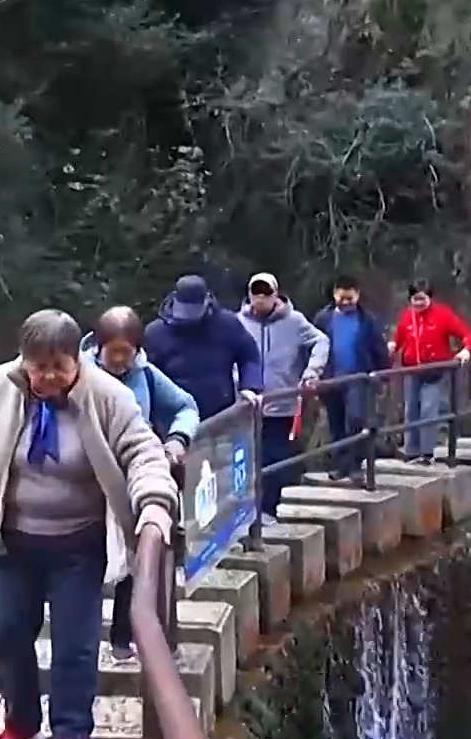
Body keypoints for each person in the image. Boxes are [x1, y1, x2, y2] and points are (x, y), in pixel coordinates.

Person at [0, 310, 178, 739]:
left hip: (79, 545)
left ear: (79, 358)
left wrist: (154, 503)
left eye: (60, 365)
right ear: (23, 360)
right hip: (12, 541)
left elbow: (143, 454)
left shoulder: (109, 396)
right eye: (39, 366)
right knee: (7, 633)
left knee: (74, 647)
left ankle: (72, 738)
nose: (49, 376)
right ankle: (21, 723)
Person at [80, 306, 199, 661]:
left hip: (131, 481)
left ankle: (122, 639)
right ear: (97, 346)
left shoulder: (145, 375)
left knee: (134, 560)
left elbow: (186, 406)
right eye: (112, 353)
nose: (120, 361)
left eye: (126, 353)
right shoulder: (78, 375)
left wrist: (177, 439)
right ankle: (82, 643)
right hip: (87, 484)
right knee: (86, 563)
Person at [237, 272, 328, 514]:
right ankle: (251, 513)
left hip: (282, 403)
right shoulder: (239, 322)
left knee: (276, 460)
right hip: (247, 406)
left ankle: (269, 510)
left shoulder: (294, 321)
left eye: (266, 293)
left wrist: (311, 372)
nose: (261, 298)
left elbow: (321, 341)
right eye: (256, 293)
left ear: (276, 294)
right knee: (248, 461)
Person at [143, 273, 264, 419]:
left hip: (222, 415)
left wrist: (250, 387)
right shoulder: (156, 333)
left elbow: (249, 355)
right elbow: (146, 377)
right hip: (175, 418)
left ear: (206, 302)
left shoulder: (227, 324)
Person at [311, 276, 390, 479]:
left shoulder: (367, 320)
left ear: (357, 295)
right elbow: (311, 348)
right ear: (334, 294)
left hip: (359, 379)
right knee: (336, 424)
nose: (346, 302)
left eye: (350, 298)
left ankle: (356, 465)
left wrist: (382, 375)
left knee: (356, 421)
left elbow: (378, 349)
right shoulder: (323, 319)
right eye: (342, 297)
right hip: (331, 380)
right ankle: (341, 465)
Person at [389, 280, 471, 463]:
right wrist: (392, 346)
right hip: (412, 369)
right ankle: (411, 452)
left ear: (430, 298)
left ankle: (427, 453)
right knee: (411, 410)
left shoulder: (442, 315)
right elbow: (399, 338)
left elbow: (466, 334)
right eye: (415, 299)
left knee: (428, 410)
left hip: (435, 370)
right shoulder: (407, 316)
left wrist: (466, 350)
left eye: (422, 299)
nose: (419, 303)